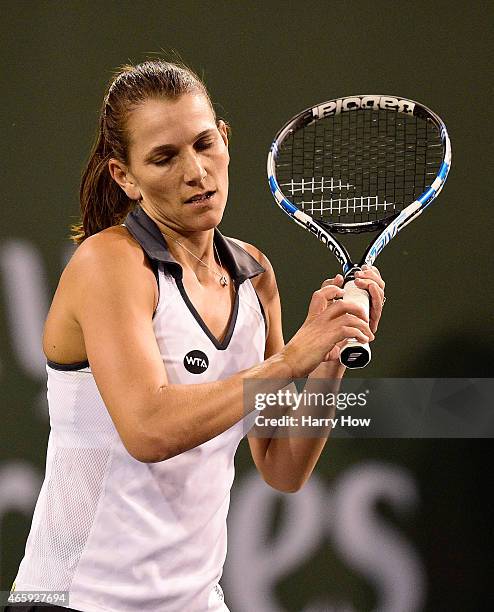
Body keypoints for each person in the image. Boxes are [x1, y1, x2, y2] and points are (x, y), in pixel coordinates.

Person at [7, 59, 385, 612]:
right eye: (164, 157)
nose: (196, 171)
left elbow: (282, 466)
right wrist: (292, 357)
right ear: (124, 176)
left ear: (225, 140)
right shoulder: (108, 264)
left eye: (204, 144)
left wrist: (329, 356)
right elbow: (149, 431)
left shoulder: (255, 276)